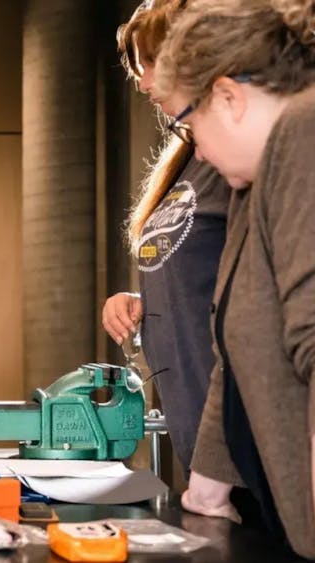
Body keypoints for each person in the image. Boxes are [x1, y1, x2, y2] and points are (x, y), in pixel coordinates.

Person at [151, 1, 315, 559]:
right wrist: (207, 488)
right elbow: (232, 348)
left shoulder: (314, 128)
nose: (196, 150)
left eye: (187, 121)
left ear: (229, 97)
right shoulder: (251, 184)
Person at [101, 0, 231, 477]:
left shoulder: (236, 159)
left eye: (149, 63)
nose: (141, 81)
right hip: (196, 435)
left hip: (238, 446)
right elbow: (204, 272)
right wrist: (145, 297)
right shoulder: (190, 160)